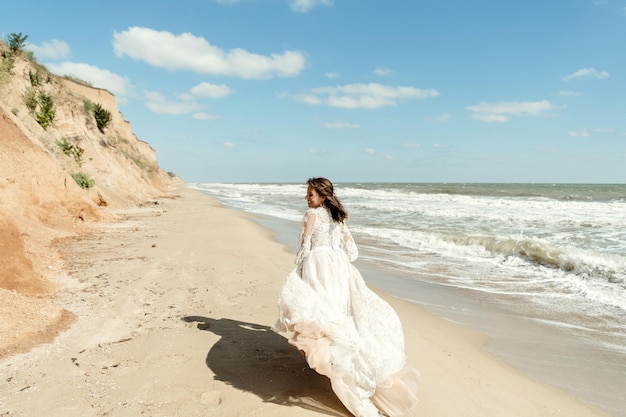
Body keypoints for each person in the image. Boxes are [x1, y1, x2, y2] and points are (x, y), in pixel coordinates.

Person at [273, 177, 420, 417]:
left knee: (320, 310)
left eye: (310, 194)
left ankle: (332, 360)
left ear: (321, 195)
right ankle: (346, 362)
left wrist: (299, 270)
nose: (306, 198)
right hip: (339, 267)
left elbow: (304, 246)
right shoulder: (337, 218)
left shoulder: (311, 216)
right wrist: (336, 256)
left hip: (318, 266)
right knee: (341, 313)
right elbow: (352, 252)